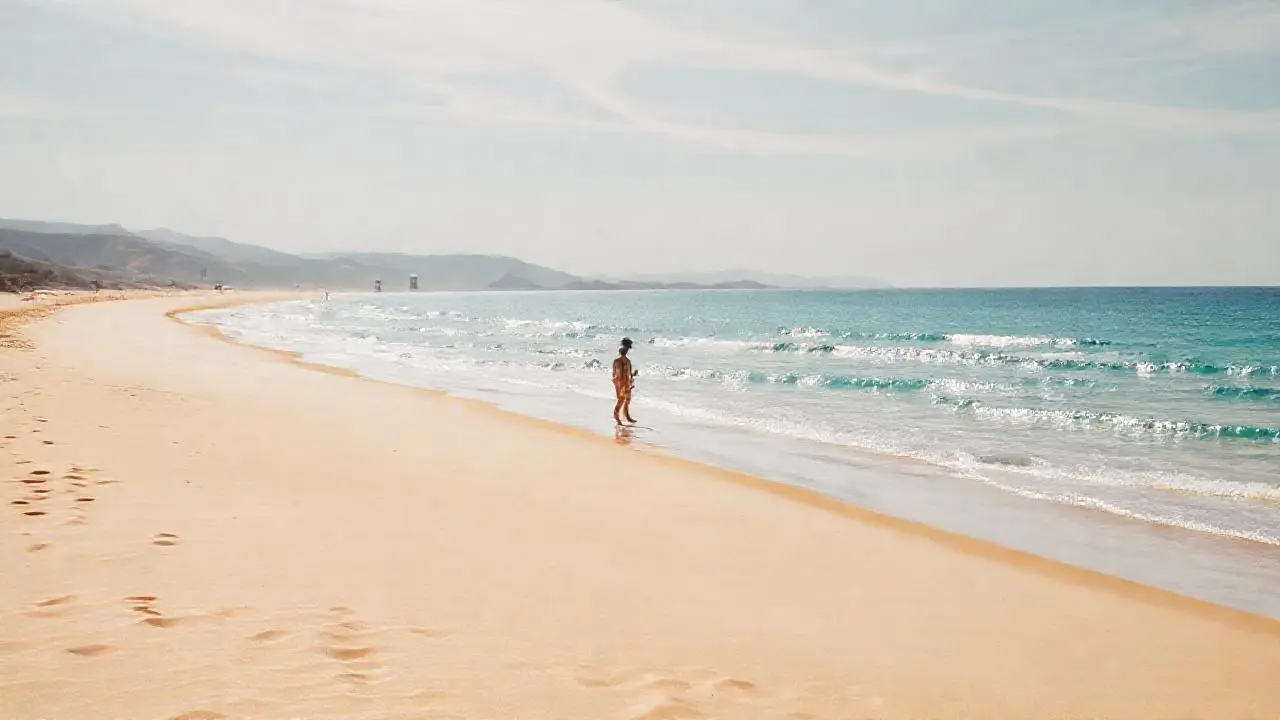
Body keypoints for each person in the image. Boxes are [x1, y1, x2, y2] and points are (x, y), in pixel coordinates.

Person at [612, 337, 638, 425]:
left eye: (627, 348)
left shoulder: (626, 361)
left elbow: (629, 374)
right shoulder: (619, 361)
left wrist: (634, 374)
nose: (626, 350)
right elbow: (615, 374)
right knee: (622, 399)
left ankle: (626, 416)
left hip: (624, 382)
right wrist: (616, 382)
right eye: (626, 348)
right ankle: (617, 416)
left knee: (627, 399)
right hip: (621, 382)